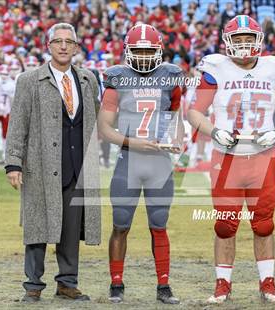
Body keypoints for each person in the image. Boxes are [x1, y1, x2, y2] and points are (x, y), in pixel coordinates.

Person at [187, 15, 275, 304]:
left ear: (259, 41)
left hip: (263, 156)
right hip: (226, 158)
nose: (245, 44)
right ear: (228, 42)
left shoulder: (273, 68)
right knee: (225, 225)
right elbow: (195, 112)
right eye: (238, 39)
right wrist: (215, 131)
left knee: (263, 224)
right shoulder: (216, 68)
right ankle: (223, 284)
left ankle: (268, 283)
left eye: (249, 38)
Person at [5, 22, 101, 302]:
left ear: (75, 47)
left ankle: (67, 283)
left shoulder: (87, 80)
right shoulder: (29, 80)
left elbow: (93, 119)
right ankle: (33, 285)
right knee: (37, 227)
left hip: (76, 167)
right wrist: (13, 163)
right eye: (57, 41)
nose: (62, 46)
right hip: (39, 167)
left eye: (68, 42)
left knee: (71, 230)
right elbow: (17, 124)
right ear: (48, 46)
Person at [98, 24, 184, 304]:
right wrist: (134, 143)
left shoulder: (170, 77)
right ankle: (116, 284)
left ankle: (163, 286)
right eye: (139, 51)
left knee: (159, 225)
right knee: (121, 224)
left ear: (158, 51)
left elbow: (176, 116)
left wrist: (176, 140)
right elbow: (104, 129)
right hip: (129, 160)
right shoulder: (117, 78)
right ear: (128, 52)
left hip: (159, 162)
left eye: (149, 51)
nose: (145, 57)